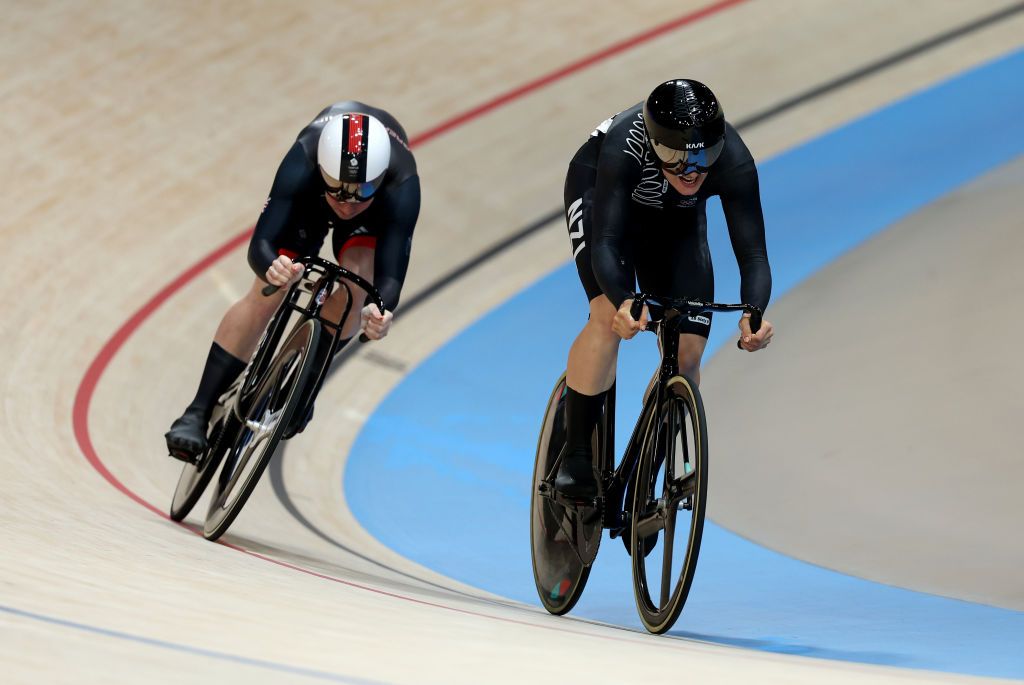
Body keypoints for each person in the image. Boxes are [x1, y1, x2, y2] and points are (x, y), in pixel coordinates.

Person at [554, 79, 774, 498]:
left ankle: (642, 485)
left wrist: (755, 310)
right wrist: (623, 300)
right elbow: (606, 243)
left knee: (688, 355)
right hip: (603, 194)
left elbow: (754, 256)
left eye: (703, 157)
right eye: (675, 157)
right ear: (655, 145)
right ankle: (576, 454)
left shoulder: (733, 160)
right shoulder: (625, 146)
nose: (691, 171)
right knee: (607, 318)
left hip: (676, 222)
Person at [165, 102, 420, 462]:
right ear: (321, 171)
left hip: (371, 219)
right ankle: (197, 411)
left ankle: (307, 380)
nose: (347, 204)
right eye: (338, 190)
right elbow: (261, 245)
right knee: (267, 292)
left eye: (361, 192)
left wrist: (380, 311)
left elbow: (391, 276)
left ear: (379, 182)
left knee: (358, 283)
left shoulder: (402, 185)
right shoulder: (304, 156)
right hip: (309, 204)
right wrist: (273, 268)